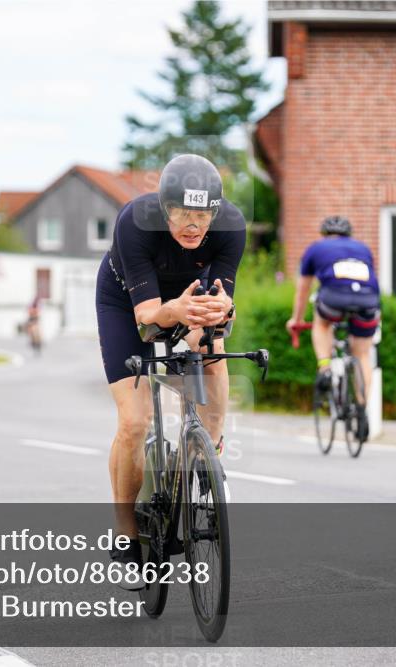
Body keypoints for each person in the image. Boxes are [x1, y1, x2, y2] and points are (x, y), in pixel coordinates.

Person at [95, 154, 245, 589]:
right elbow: (146, 321)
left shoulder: (231, 226)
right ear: (165, 209)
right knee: (135, 421)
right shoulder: (135, 222)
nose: (193, 225)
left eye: (202, 215)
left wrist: (220, 310)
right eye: (182, 214)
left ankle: (209, 456)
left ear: (216, 212)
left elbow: (221, 303)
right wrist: (174, 309)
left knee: (213, 349)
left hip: (187, 297)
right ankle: (125, 535)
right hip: (128, 305)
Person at [286, 216, 380, 443]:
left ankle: (325, 368)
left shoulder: (315, 249)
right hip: (368, 301)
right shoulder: (363, 249)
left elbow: (303, 291)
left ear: (324, 234)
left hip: (333, 299)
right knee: (363, 355)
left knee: (322, 323)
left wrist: (296, 320)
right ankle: (361, 407)